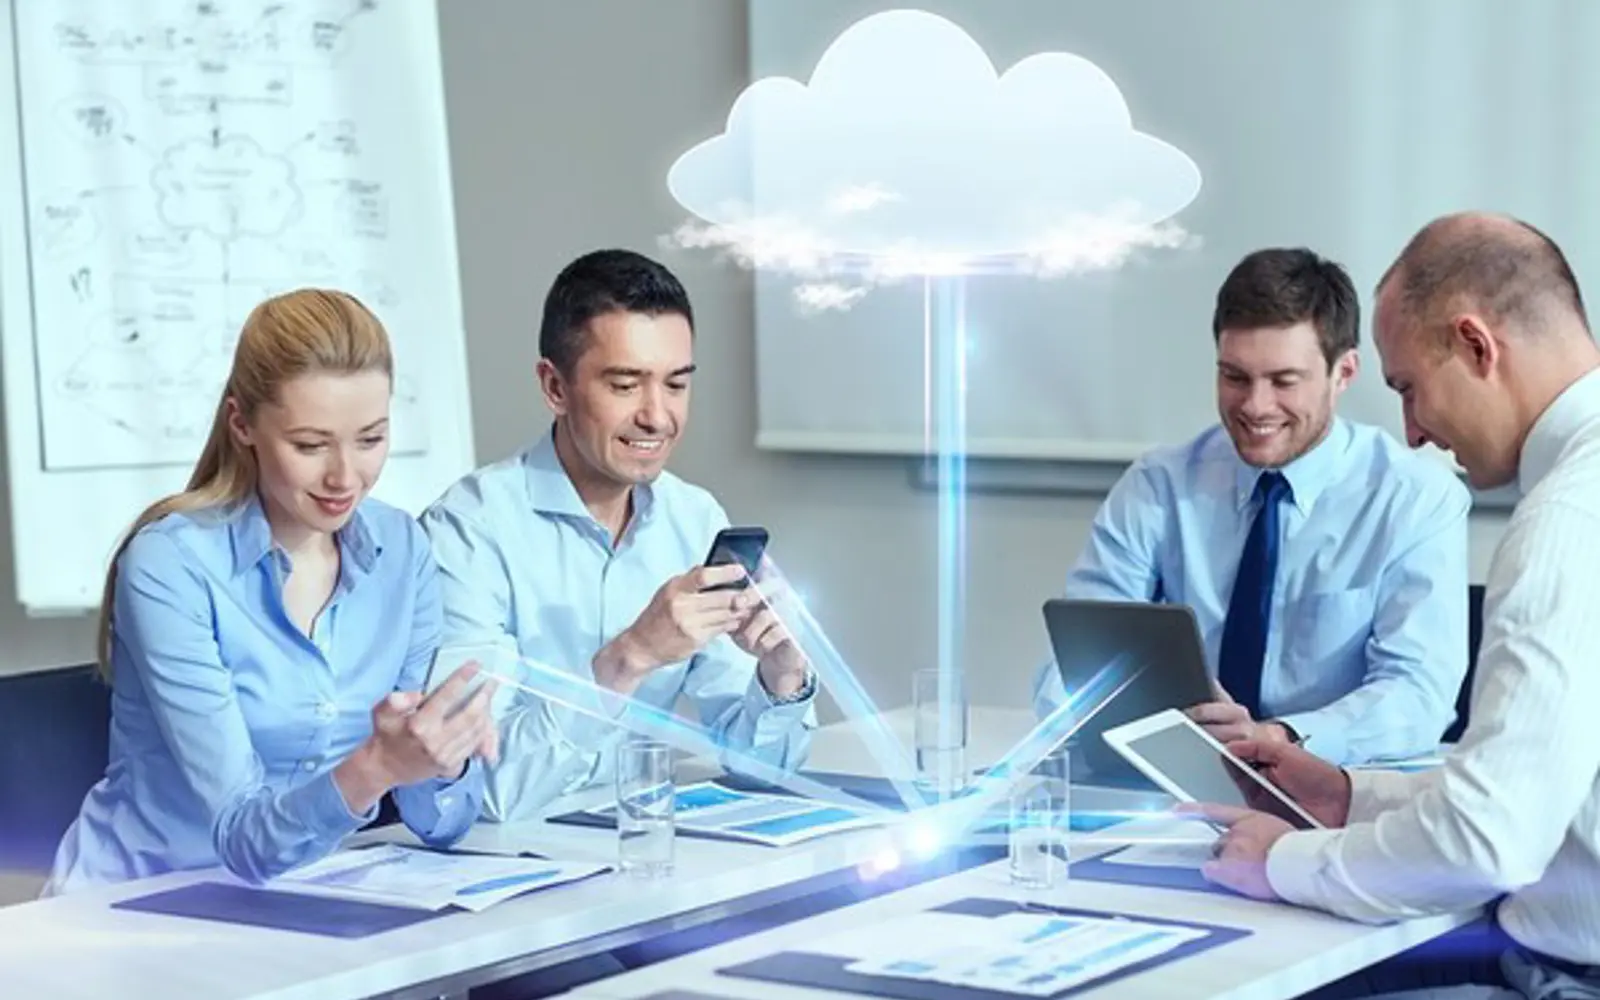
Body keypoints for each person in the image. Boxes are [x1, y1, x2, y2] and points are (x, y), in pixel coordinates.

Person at [1195, 213, 1600, 999]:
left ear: (1477, 346)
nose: (1413, 433)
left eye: (1409, 388)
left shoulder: (1567, 522)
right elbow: (1552, 786)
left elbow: (1489, 839)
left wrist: (1280, 863)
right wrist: (1351, 794)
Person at [45, 289, 499, 895]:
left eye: (370, 439)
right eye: (310, 445)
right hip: (140, 906)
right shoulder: (170, 563)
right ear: (242, 424)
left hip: (306, 899)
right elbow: (242, 838)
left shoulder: (403, 549)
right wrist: (378, 767)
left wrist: (445, 755)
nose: (345, 476)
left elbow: (438, 824)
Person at [1033, 247, 1471, 766]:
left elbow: (1418, 697)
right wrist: (1107, 727)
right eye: (1235, 377)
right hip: (1179, 787)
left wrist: (1278, 738)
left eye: (1284, 381)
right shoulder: (1158, 486)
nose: (1255, 407)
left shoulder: (1415, 497)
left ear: (1344, 373)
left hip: (1335, 795)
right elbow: (1070, 669)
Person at [420, 248, 816, 823]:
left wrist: (782, 675)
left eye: (676, 385)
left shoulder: (694, 517)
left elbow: (760, 768)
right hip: (513, 867)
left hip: (642, 849)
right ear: (554, 387)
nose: (658, 416)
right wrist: (630, 658)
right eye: (626, 385)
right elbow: (481, 791)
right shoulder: (467, 532)